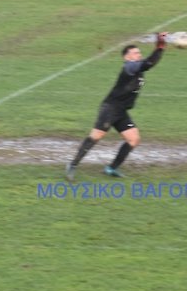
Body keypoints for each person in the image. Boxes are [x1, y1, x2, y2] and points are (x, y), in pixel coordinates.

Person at [65, 32, 167, 181]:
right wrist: (160, 46)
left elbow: (148, 62)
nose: (138, 54)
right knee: (96, 136)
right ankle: (72, 165)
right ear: (127, 57)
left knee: (133, 139)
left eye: (139, 52)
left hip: (121, 111)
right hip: (110, 109)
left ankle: (111, 168)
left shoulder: (136, 67)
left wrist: (159, 47)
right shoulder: (129, 67)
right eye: (135, 53)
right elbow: (149, 63)